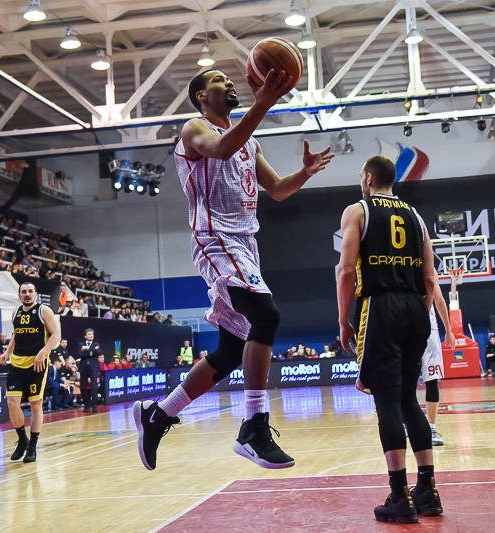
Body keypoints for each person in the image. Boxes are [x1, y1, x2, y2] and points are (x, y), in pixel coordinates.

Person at [133, 67, 333, 472]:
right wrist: (263, 104)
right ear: (201, 96)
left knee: (230, 350)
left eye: (229, 78)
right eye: (219, 80)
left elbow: (277, 189)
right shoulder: (193, 129)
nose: (229, 83)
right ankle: (253, 427)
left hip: (245, 244)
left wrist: (304, 173)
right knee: (266, 315)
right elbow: (221, 148)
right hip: (215, 239)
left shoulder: (249, 141)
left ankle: (158, 414)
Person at [336, 155, 439, 523]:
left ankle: (399, 496)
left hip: (380, 306)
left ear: (368, 178)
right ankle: (427, 490)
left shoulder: (358, 211)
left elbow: (346, 270)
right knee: (409, 398)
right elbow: (430, 278)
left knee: (387, 403)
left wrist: (343, 320)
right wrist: (419, 312)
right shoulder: (416, 216)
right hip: (415, 307)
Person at [0, 282, 61, 462]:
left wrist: (43, 352)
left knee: (35, 404)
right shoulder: (15, 312)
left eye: (30, 291)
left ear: (36, 294)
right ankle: (22, 440)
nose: (27, 294)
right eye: (24, 292)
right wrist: (7, 352)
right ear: (19, 295)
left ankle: (32, 446)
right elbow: (16, 335)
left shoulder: (44, 311)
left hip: (37, 364)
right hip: (17, 362)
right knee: (12, 403)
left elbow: (56, 335)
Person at [421, 269, 456, 447]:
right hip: (405, 326)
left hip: (429, 329)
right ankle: (405, 422)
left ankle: (431, 428)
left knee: (432, 380)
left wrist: (449, 330)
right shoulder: (398, 262)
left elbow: (439, 300)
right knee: (404, 380)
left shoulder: (428, 268)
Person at [77, 329, 102, 413]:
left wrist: (86, 349)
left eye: (92, 334)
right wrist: (91, 351)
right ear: (85, 336)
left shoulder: (96, 344)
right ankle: (87, 405)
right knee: (82, 387)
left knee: (94, 387)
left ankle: (94, 406)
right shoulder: (81, 344)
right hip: (84, 367)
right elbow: (80, 354)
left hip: (93, 368)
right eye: (89, 334)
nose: (91, 335)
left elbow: (98, 351)